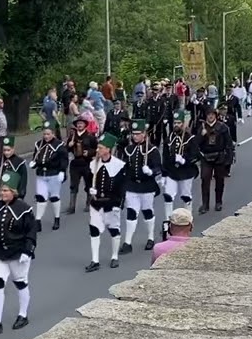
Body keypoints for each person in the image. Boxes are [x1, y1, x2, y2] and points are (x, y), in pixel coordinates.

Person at [0, 171, 37, 337]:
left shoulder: (24, 209)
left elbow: (31, 232)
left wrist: (27, 251)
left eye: (6, 190)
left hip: (18, 252)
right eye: (1, 190)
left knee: (20, 283)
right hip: (0, 253)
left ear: (13, 192)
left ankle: (23, 315)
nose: (2, 193)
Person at [85, 133, 126, 272]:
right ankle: (94, 260)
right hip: (96, 203)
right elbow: (88, 181)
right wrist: (90, 189)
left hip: (111, 203)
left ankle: (114, 256)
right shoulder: (93, 164)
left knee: (114, 230)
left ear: (108, 149)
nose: (98, 150)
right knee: (94, 230)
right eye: (98, 147)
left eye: (101, 148)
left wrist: (119, 204)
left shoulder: (118, 165)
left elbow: (121, 187)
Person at [120, 119, 162, 254]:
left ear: (144, 134)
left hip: (147, 186)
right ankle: (127, 242)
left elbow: (158, 167)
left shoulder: (152, 150)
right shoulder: (128, 150)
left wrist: (151, 172)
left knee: (147, 211)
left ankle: (150, 238)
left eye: (138, 134)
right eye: (133, 134)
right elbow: (125, 168)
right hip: (132, 186)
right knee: (131, 212)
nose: (135, 136)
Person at [162, 111, 199, 228]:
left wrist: (184, 160)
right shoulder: (169, 138)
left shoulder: (190, 138)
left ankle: (188, 219)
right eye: (175, 123)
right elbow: (165, 156)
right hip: (172, 171)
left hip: (186, 172)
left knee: (185, 196)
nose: (176, 125)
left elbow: (196, 155)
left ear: (183, 124)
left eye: (179, 123)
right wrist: (164, 173)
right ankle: (168, 222)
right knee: (168, 195)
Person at [30, 122, 67, 232]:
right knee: (40, 197)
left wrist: (62, 171)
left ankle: (57, 218)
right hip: (41, 174)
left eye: (48, 134)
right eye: (44, 134)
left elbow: (64, 159)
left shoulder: (59, 145)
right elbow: (36, 157)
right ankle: (38, 221)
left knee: (54, 197)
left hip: (54, 173)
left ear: (53, 134)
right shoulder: (39, 144)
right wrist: (34, 164)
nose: (46, 136)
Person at [196, 109, 233, 214]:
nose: (210, 116)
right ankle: (205, 204)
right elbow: (196, 143)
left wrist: (229, 158)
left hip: (219, 156)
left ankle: (218, 202)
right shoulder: (202, 127)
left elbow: (228, 143)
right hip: (206, 157)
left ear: (216, 116)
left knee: (219, 180)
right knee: (205, 179)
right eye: (209, 114)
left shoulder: (223, 127)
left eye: (212, 115)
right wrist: (201, 135)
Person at [64, 115, 97, 215]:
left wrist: (89, 153)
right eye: (78, 124)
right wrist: (68, 145)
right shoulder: (72, 136)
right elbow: (66, 150)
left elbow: (97, 149)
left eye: (81, 123)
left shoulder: (90, 136)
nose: (79, 125)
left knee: (88, 184)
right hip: (75, 163)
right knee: (73, 185)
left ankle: (89, 203)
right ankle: (72, 206)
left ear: (85, 125)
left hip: (87, 163)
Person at [0, 135, 28, 203]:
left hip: (14, 194)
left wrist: (21, 194)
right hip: (1, 194)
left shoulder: (19, 162)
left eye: (8, 150)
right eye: (4, 150)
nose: (6, 153)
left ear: (13, 149)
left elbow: (23, 180)